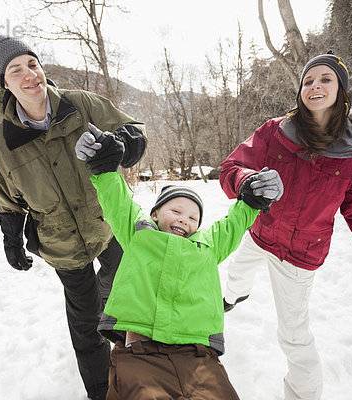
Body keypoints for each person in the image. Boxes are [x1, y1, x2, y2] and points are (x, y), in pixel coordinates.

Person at [219, 51, 352, 400]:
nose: (315, 86)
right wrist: (246, 182)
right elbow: (231, 167)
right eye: (308, 81)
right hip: (261, 231)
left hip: (300, 255)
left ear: (341, 90)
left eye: (325, 79)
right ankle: (232, 296)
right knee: (236, 273)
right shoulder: (274, 131)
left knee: (294, 336)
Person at [0, 34, 147, 400]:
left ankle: (142, 363)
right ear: (4, 83)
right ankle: (101, 391)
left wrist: (120, 147)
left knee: (126, 286)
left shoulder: (81, 105)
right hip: (62, 246)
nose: (30, 75)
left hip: (108, 224)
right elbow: (7, 200)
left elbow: (134, 131)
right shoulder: (1, 144)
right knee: (86, 324)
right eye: (16, 70)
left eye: (33, 64)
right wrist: (11, 238)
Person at [74, 123, 283, 399]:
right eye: (176, 210)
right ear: (156, 214)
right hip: (140, 351)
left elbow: (234, 223)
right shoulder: (139, 232)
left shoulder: (207, 245)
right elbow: (117, 200)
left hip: (199, 356)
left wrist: (252, 200)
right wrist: (103, 169)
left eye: (193, 217)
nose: (185, 219)